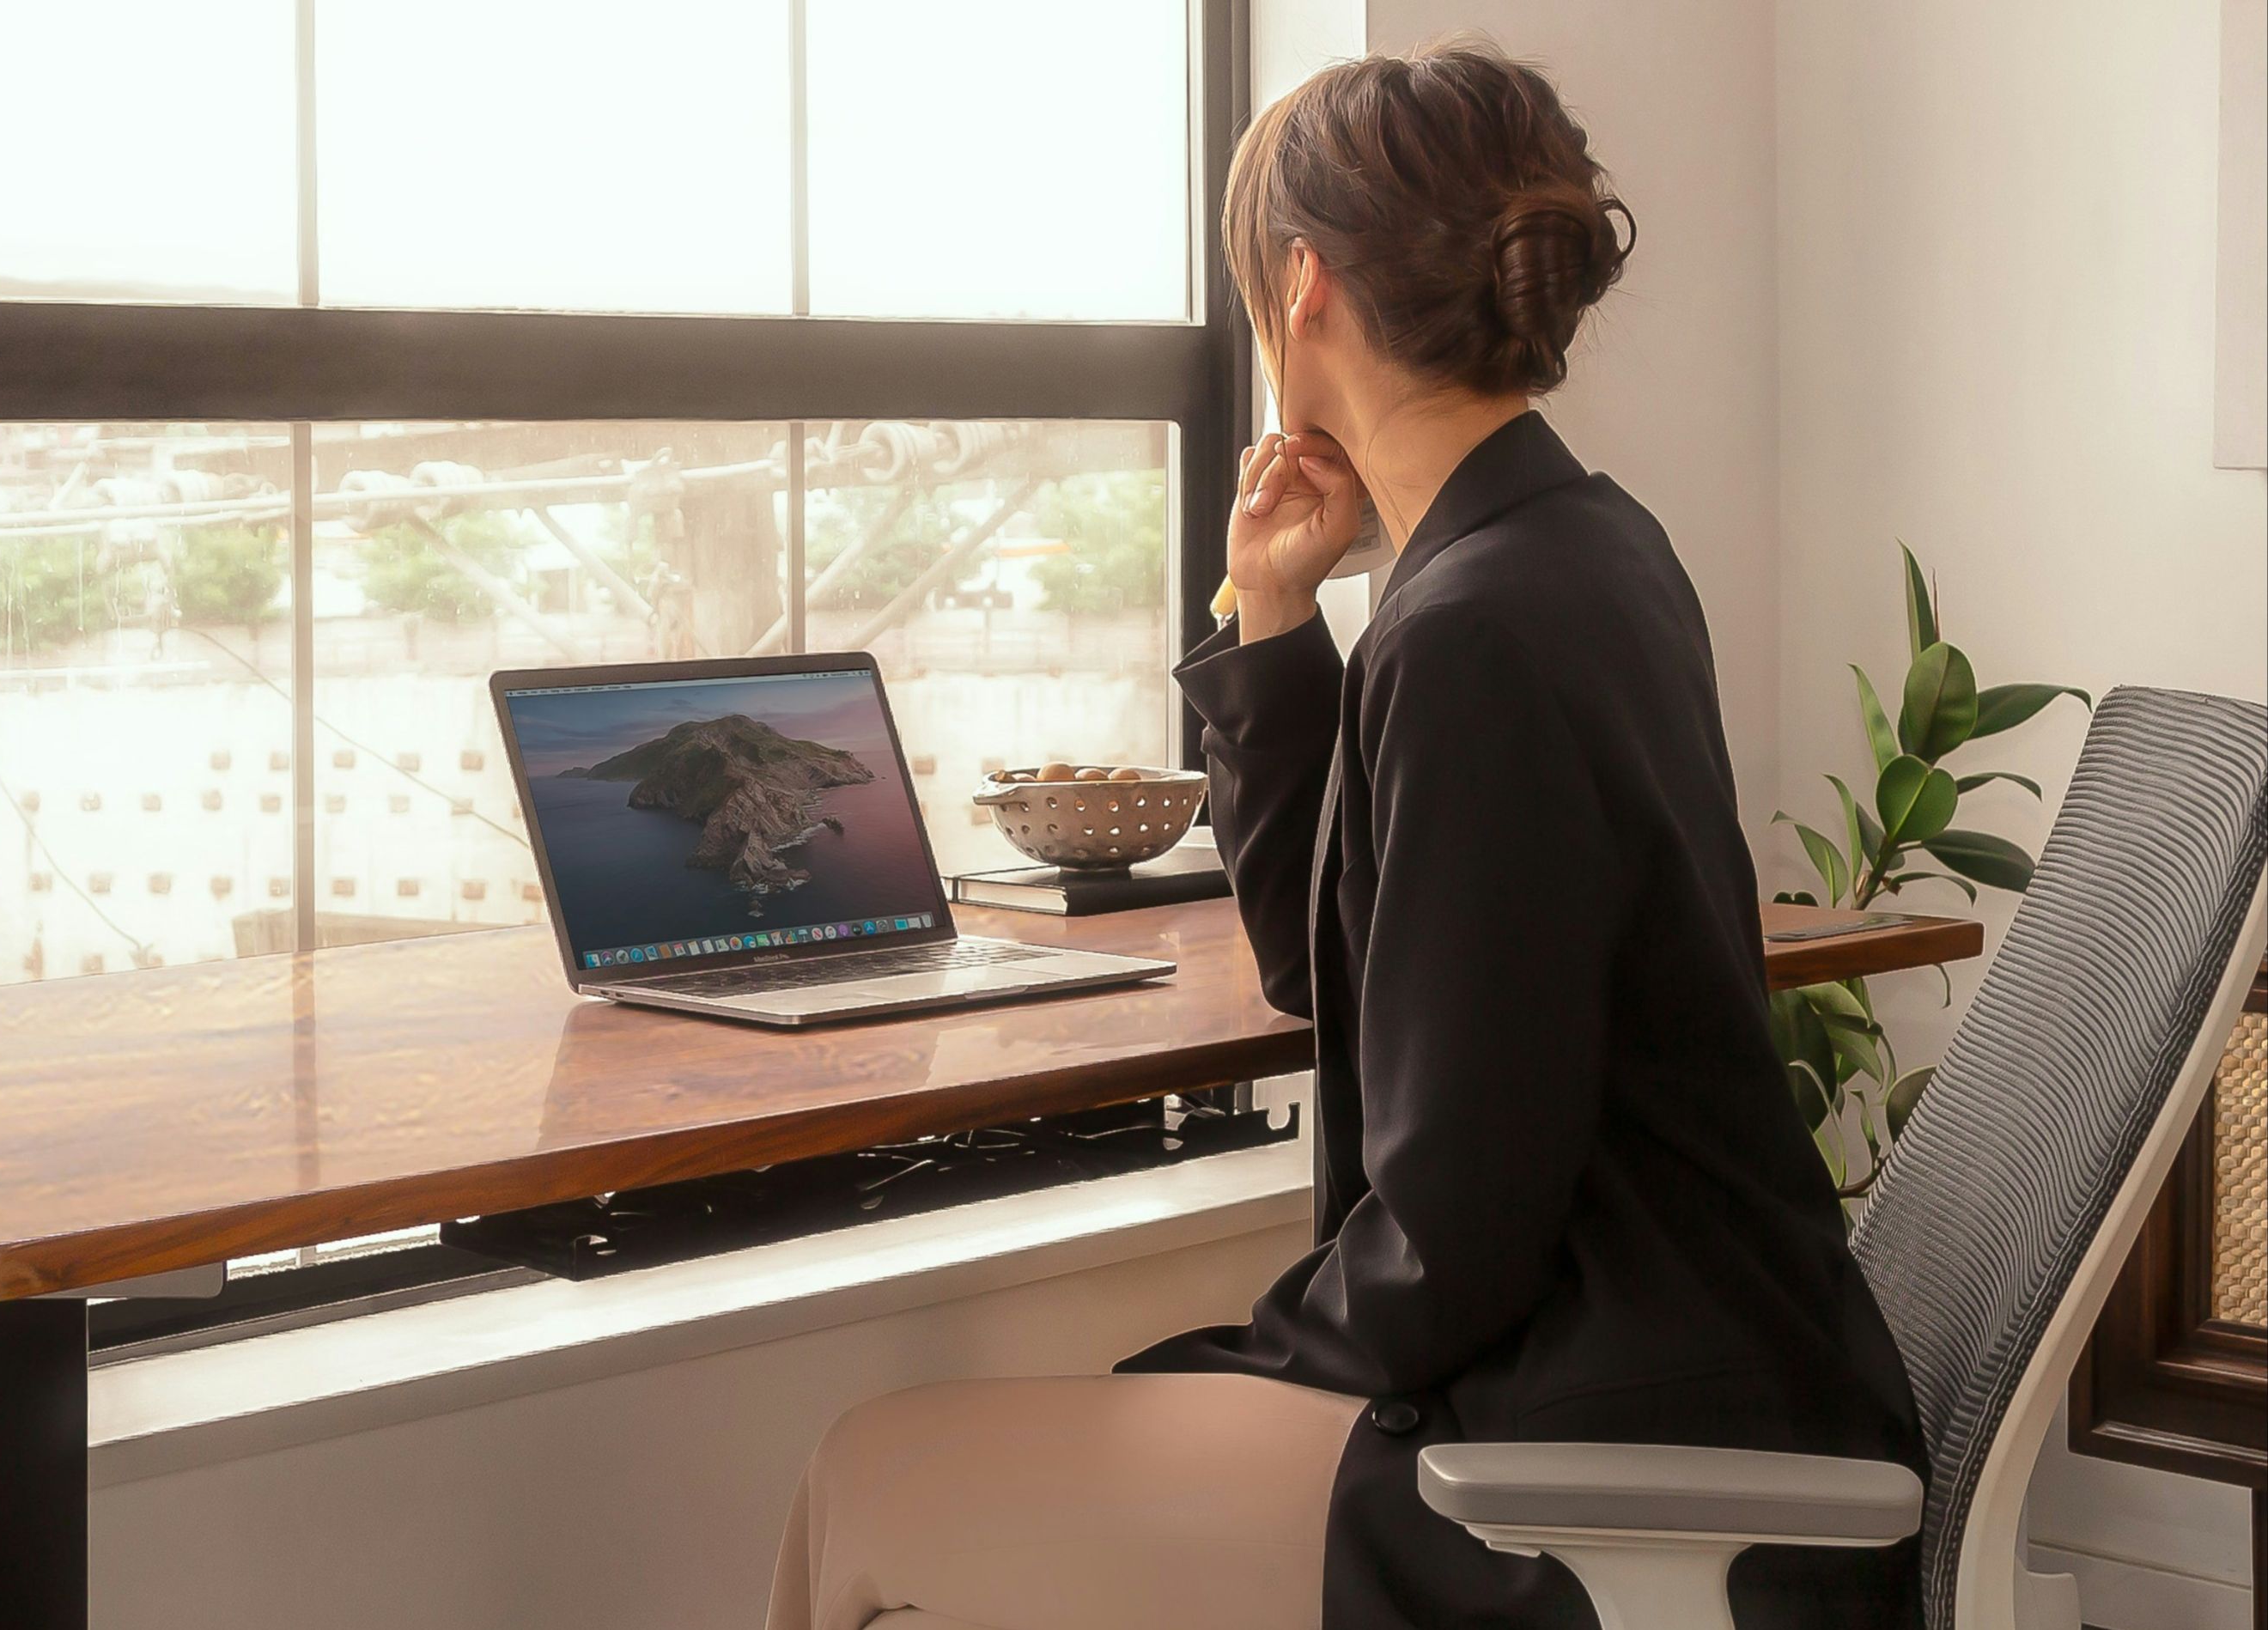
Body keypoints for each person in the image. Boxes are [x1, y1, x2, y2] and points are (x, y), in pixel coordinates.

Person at [763, 38, 1927, 1630]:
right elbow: (1357, 977)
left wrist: (1235, 1366)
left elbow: (1461, 1221)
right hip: (1663, 1361)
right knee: (956, 1464)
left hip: (1582, 1444)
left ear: (1301, 285)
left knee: (867, 1478)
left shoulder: (1478, 629)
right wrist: (1273, 614)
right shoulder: (1577, 549)